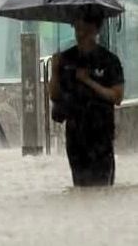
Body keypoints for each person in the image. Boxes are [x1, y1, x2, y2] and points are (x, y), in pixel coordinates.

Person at [49, 11, 125, 187]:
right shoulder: (66, 59)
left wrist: (88, 81)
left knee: (103, 186)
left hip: (101, 135)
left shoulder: (109, 61)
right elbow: (54, 95)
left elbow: (117, 96)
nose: (80, 33)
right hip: (75, 135)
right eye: (77, 28)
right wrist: (54, 70)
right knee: (80, 187)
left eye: (85, 29)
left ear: (95, 30)